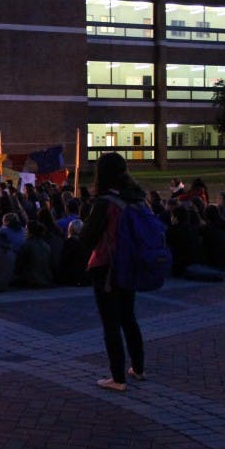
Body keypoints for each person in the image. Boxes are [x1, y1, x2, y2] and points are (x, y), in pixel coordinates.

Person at [79, 152, 147, 392]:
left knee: (111, 322)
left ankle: (117, 377)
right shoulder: (137, 197)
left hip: (107, 266)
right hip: (131, 264)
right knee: (129, 316)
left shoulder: (105, 202)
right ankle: (138, 367)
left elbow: (88, 237)